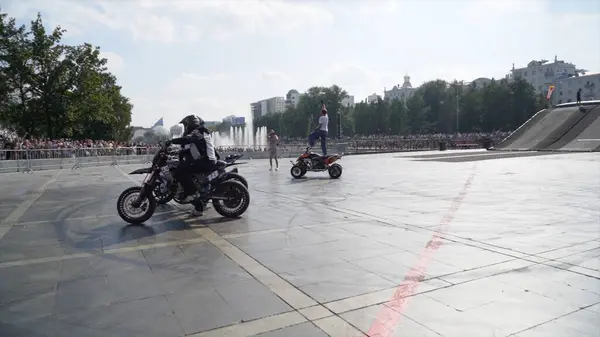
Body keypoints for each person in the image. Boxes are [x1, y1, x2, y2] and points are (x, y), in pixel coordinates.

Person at [168, 115, 218, 215]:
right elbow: (186, 149)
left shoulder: (199, 131)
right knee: (182, 167)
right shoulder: (197, 133)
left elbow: (187, 139)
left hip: (207, 161)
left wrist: (171, 141)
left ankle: (193, 194)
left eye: (186, 125)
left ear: (191, 124)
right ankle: (196, 200)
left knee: (180, 171)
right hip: (205, 160)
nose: (185, 128)